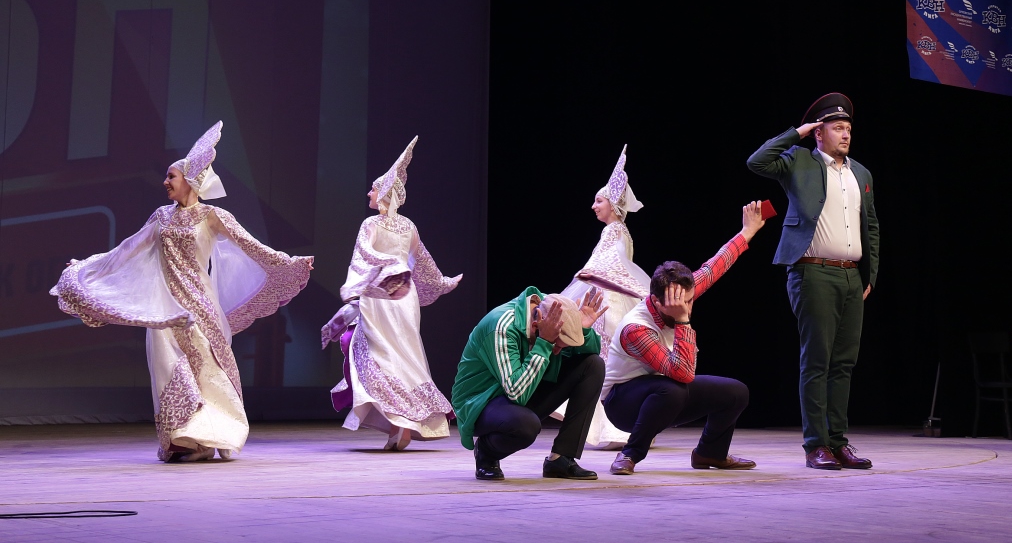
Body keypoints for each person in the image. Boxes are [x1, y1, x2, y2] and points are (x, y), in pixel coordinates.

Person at [51, 121, 313, 462]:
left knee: (207, 371)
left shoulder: (213, 215)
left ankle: (212, 435)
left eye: (171, 176)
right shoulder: (161, 216)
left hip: (201, 307)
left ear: (190, 179)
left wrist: (287, 263)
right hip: (164, 309)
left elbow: (251, 246)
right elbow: (127, 249)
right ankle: (185, 439)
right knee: (168, 367)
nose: (165, 182)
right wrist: (88, 267)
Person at [746, 93, 879, 470]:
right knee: (817, 361)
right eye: (837, 128)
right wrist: (798, 132)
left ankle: (838, 442)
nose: (846, 134)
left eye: (848, 128)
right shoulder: (798, 160)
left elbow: (870, 225)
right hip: (813, 271)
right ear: (819, 132)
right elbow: (757, 161)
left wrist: (869, 274)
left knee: (844, 363)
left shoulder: (861, 173)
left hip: (851, 276)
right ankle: (816, 444)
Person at [602, 202, 765, 475]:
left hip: (663, 393)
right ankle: (629, 454)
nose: (686, 306)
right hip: (623, 404)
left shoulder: (680, 294)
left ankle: (710, 453)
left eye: (690, 300)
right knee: (673, 389)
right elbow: (684, 373)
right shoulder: (636, 328)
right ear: (656, 301)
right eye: (678, 303)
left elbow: (714, 267)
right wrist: (683, 321)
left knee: (736, 392)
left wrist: (747, 231)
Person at [320, 136, 461, 451]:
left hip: (383, 294)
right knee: (403, 354)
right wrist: (440, 281)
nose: (369, 193)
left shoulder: (371, 223)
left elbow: (365, 253)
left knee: (379, 353)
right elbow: (422, 262)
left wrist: (379, 270)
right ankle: (401, 425)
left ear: (385, 193)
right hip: (404, 295)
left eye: (373, 189)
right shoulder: (410, 226)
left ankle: (399, 423)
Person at [452, 288, 608, 480]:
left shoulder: (551, 310)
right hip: (480, 402)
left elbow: (587, 352)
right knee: (525, 425)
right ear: (536, 325)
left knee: (592, 365)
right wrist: (545, 343)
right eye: (556, 345)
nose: (556, 351)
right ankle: (486, 452)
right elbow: (516, 392)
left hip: (521, 388)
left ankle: (561, 459)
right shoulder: (501, 326)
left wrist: (582, 330)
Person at [556, 144, 649, 451]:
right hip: (611, 300)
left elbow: (614, 262)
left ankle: (608, 427)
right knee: (609, 362)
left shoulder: (613, 231)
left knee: (599, 360)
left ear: (613, 204)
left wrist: (590, 273)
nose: (593, 206)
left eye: (599, 201)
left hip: (606, 304)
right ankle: (618, 425)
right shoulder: (620, 231)